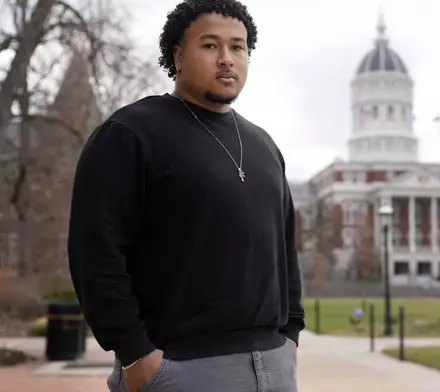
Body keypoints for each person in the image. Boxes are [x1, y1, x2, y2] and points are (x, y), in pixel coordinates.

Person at [67, 0, 305, 391]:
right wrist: (136, 355)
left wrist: (291, 333)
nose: (227, 59)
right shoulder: (131, 133)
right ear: (178, 55)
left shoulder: (264, 145)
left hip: (274, 364)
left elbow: (284, 251)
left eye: (238, 47)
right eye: (210, 46)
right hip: (179, 367)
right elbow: (95, 254)